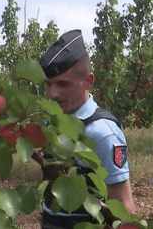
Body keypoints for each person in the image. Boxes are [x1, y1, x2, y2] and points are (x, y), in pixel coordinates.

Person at [38, 29, 136, 228]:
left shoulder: (104, 133)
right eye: (48, 84)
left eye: (63, 84)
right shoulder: (52, 122)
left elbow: (122, 206)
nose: (53, 94)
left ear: (88, 82)